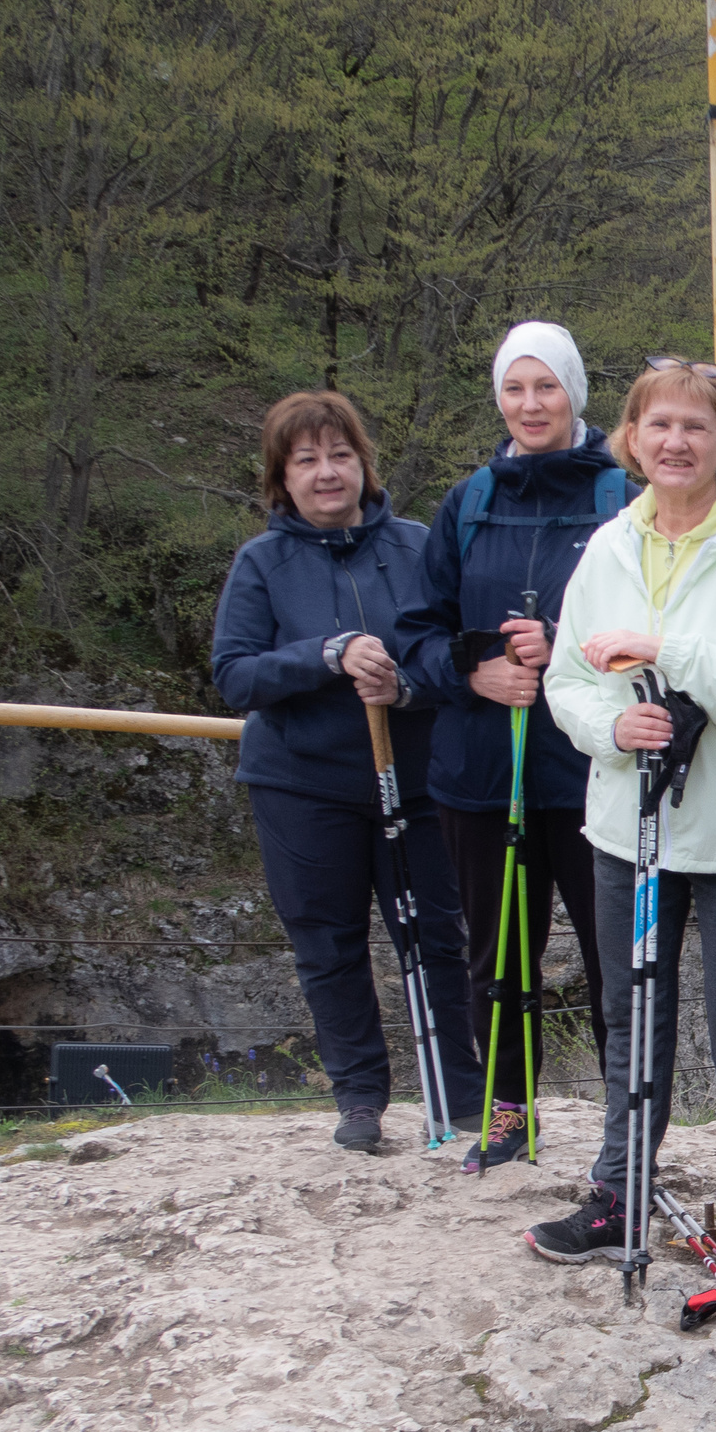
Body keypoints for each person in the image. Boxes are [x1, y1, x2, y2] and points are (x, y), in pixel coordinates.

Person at [528, 357, 716, 1276]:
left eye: (696, 427)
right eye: (658, 425)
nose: (675, 442)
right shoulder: (609, 547)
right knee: (632, 1015)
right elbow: (567, 680)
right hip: (631, 830)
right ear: (631, 438)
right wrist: (613, 726)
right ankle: (618, 1194)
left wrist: (669, 651)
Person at [211, 389, 483, 1156]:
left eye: (340, 456)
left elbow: (456, 655)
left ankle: (458, 1097)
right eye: (307, 461)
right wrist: (326, 655)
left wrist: (406, 683)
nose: (327, 473)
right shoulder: (262, 563)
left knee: (435, 934)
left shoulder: (417, 545)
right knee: (328, 943)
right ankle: (361, 1098)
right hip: (301, 784)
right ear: (282, 478)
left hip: (421, 779)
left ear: (364, 464)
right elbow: (235, 676)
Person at [401, 321, 629, 1172]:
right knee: (497, 955)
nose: (531, 405)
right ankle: (508, 1114)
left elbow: (653, 632)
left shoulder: (622, 498)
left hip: (589, 772)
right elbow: (416, 636)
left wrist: (562, 642)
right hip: (479, 772)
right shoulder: (469, 504)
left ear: (575, 391)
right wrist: (476, 676)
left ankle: (623, 1120)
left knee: (614, 957)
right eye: (514, 389)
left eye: (546, 387)